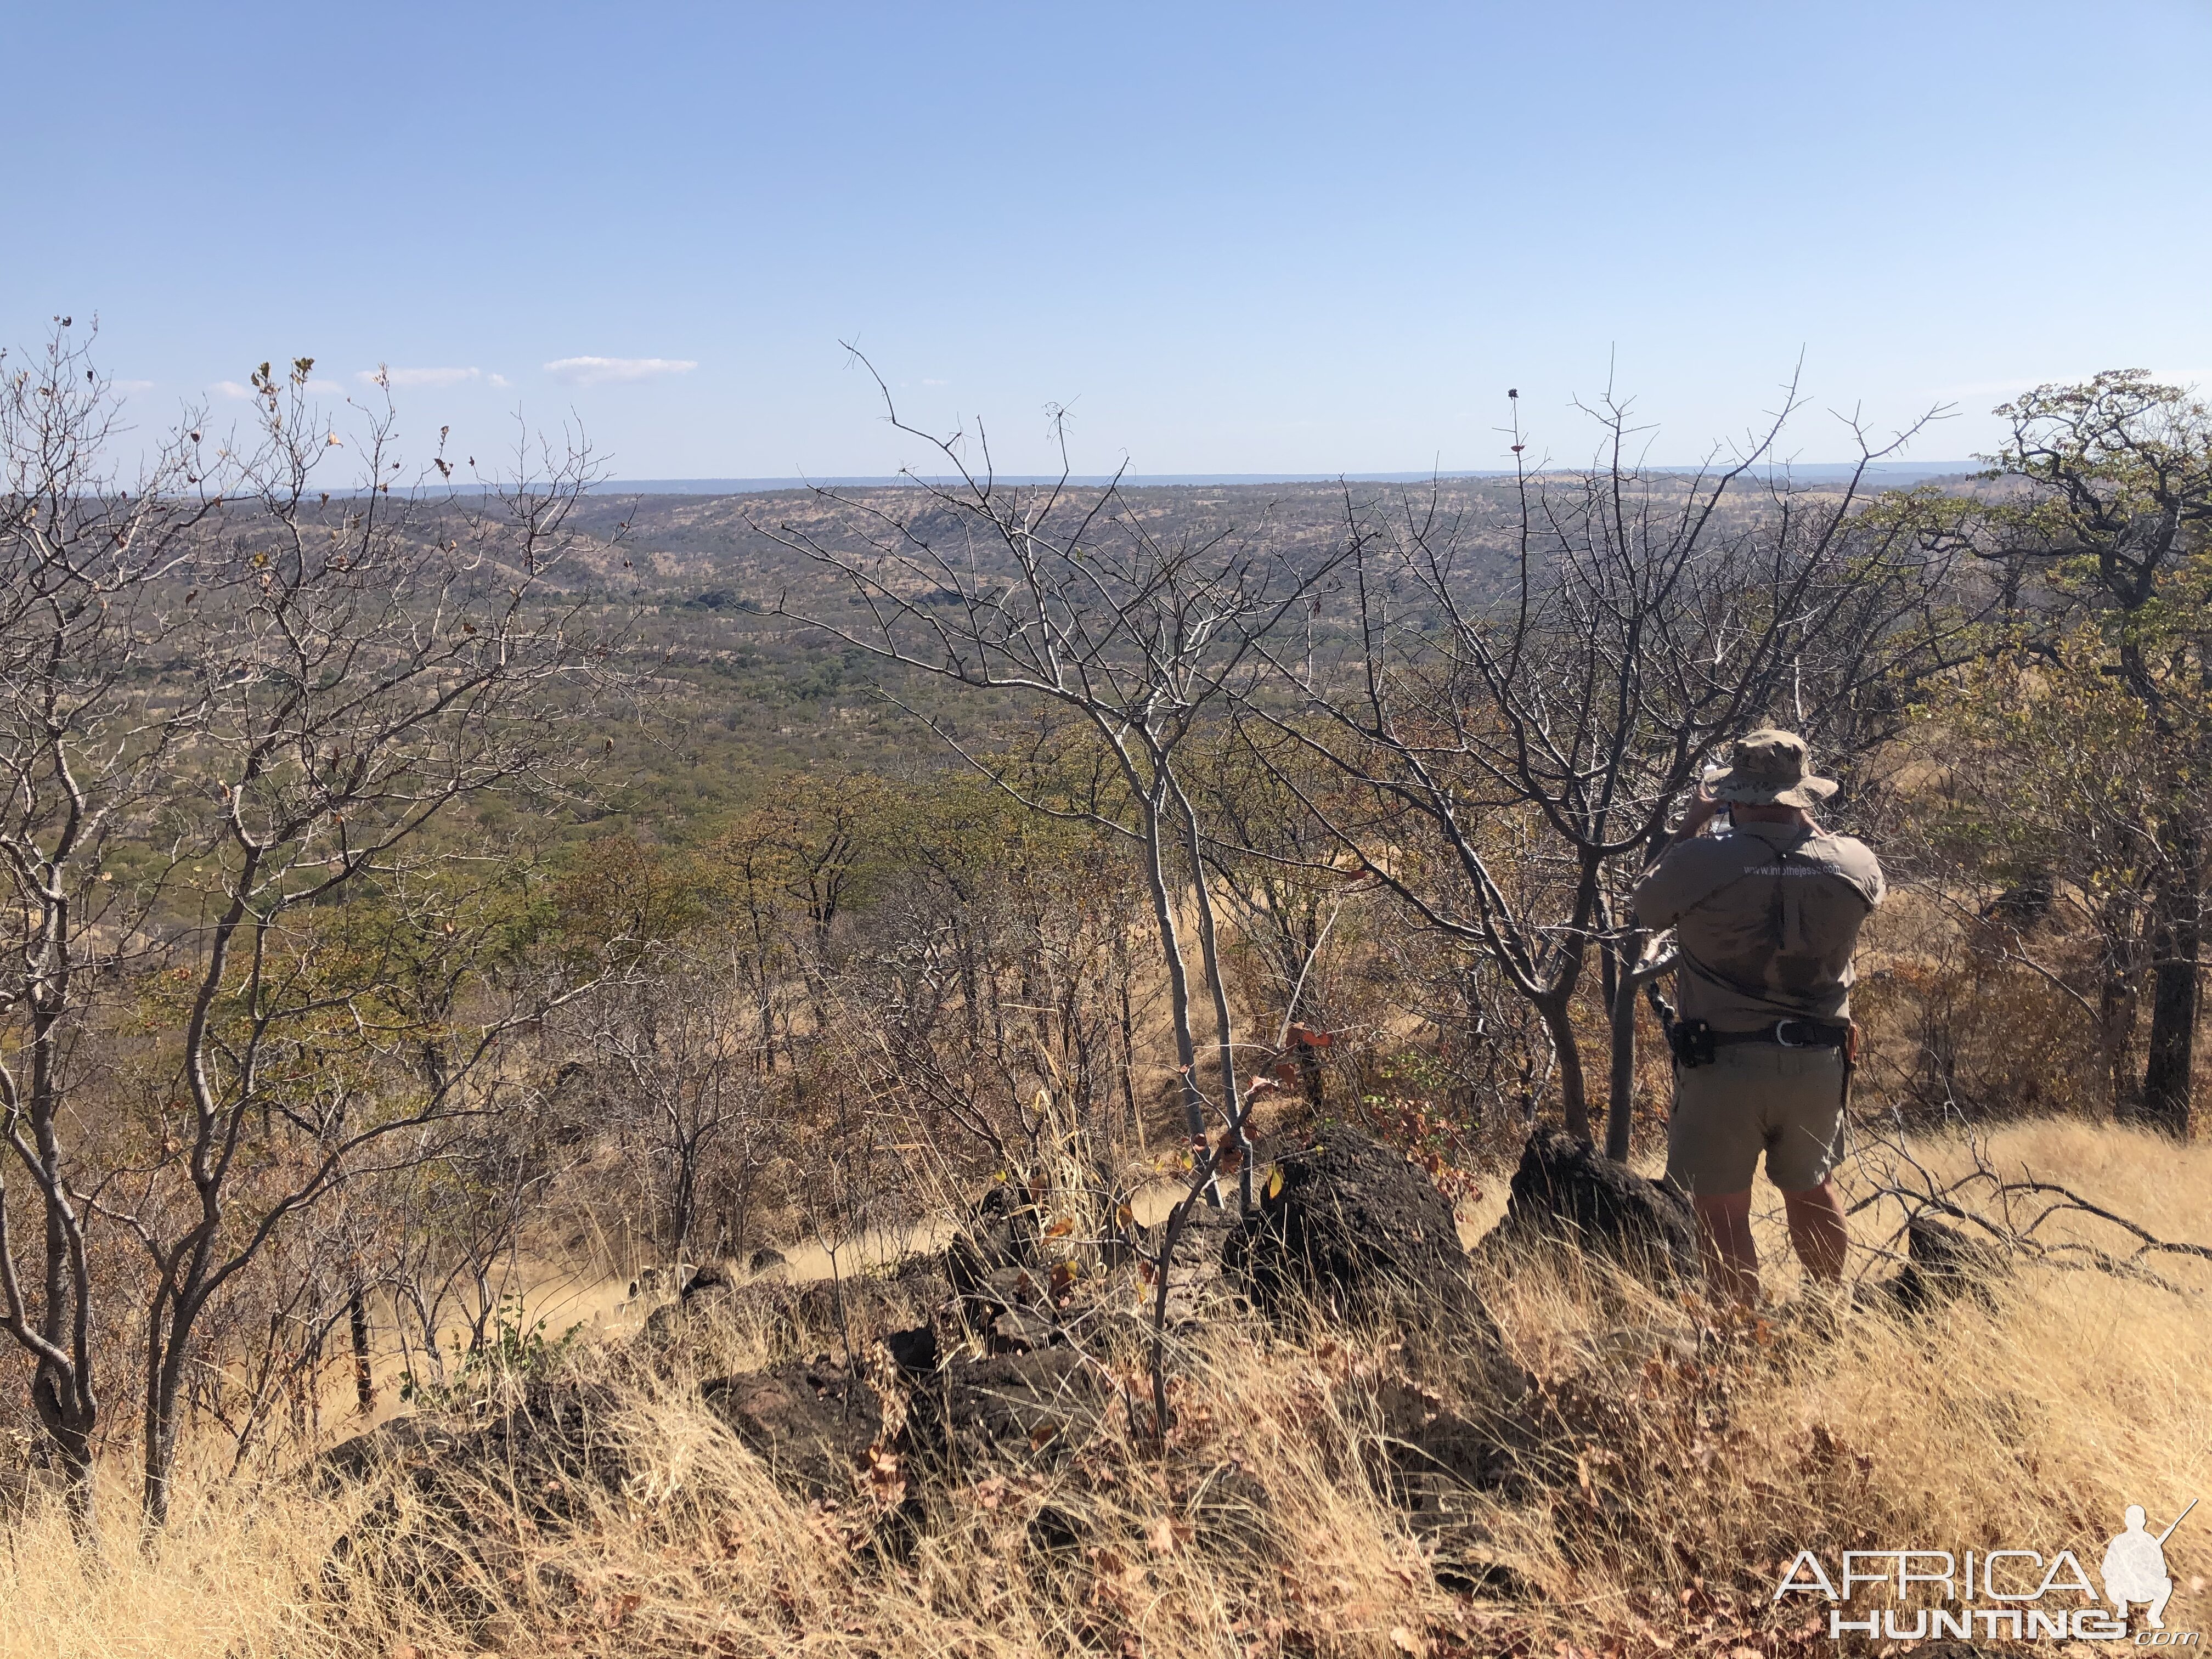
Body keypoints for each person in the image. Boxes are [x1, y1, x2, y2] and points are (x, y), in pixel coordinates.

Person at [1632, 729, 1885, 1305]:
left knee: (1721, 1209)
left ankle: (1742, 1339)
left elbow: (1645, 904)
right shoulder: (1851, 862)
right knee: (1812, 1188)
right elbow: (1866, 888)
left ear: (1731, 796)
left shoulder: (1699, 862)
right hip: (1818, 1063)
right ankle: (1827, 1305)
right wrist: (1806, 832)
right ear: (1802, 794)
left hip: (1723, 1063)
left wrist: (1692, 823)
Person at [2101, 1505, 2175, 1629]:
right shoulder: (2119, 1541)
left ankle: (2154, 1615)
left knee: (2167, 1583)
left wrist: (2146, 1568)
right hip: (2122, 1589)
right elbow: (2106, 1570)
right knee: (2111, 1584)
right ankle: (2122, 1607)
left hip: (2143, 1589)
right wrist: (2123, 1572)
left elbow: (2162, 1571)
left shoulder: (2150, 1541)